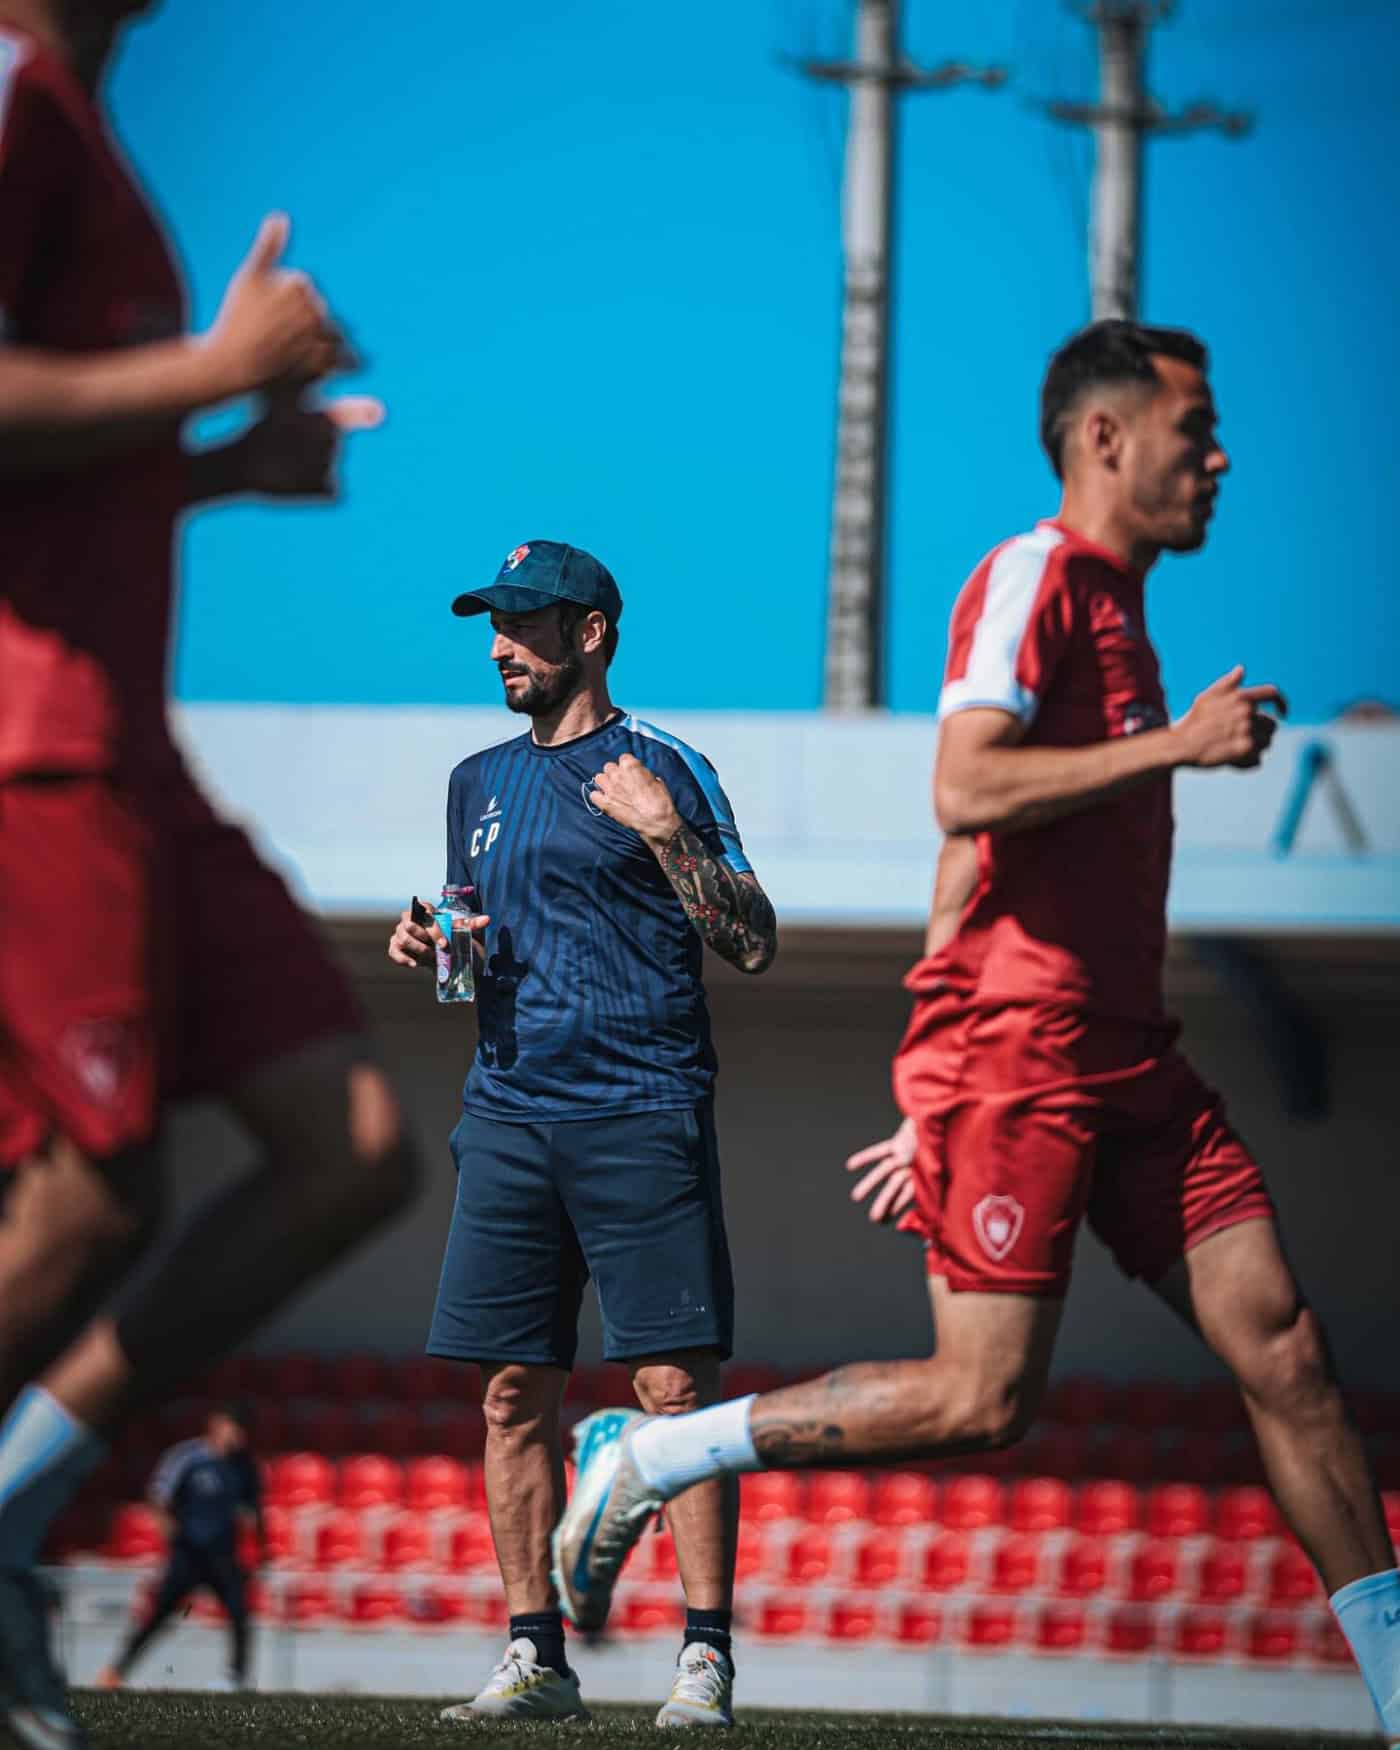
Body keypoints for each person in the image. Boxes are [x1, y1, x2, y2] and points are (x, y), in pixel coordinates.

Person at [551, 321, 1400, 1748]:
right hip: (1027, 1050)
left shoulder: (1129, 614)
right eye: (1195, 427)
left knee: (1291, 1353)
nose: (1221, 455)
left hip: (1132, 1054)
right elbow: (967, 788)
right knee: (983, 1399)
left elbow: (996, 855)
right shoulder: (1036, 577)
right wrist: (952, 1070)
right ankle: (649, 1451)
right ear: (1106, 439)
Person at [0, 5, 420, 1744]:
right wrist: (212, 372)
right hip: (35, 739)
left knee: (352, 1151)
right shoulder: (14, 88)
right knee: (101, 1191)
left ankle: (9, 1513)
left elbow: (53, 472)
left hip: (130, 752)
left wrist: (219, 468)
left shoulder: (80, 118)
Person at [387, 539, 776, 1727]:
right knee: (510, 1394)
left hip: (640, 1108)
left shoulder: (664, 763)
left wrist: (668, 833)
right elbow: (474, 944)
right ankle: (533, 1656)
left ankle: (701, 1656)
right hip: (505, 1114)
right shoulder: (474, 781)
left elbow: (752, 939)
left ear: (591, 632)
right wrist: (431, 944)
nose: (499, 644)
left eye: (523, 622)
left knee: (670, 1387)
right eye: (491, 624)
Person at [94, 1406, 261, 1692]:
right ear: (216, 1424)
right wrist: (169, 1531)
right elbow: (158, 1494)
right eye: (233, 1426)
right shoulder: (188, 1457)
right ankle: (115, 1672)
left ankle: (236, 1678)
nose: (237, 1435)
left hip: (223, 1555)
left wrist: (256, 1541)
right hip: (189, 1554)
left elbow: (252, 1508)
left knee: (239, 1614)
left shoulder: (244, 1466)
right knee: (158, 1615)